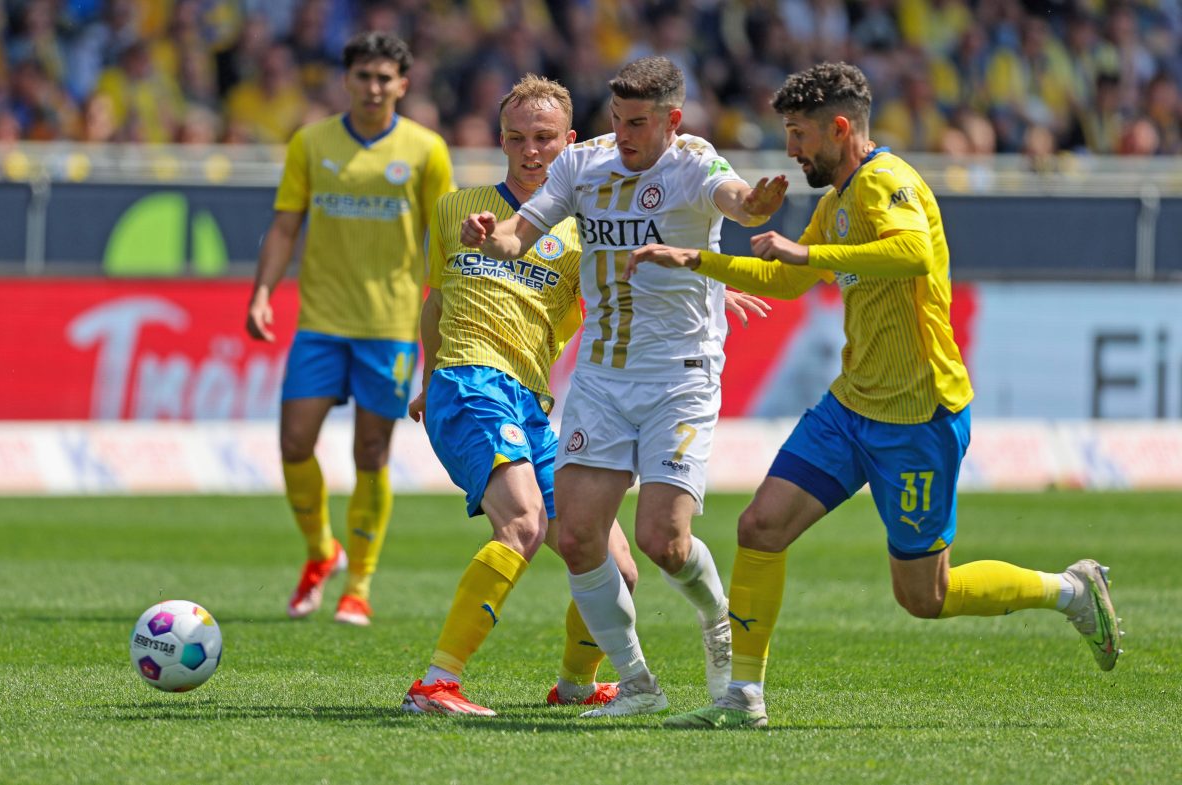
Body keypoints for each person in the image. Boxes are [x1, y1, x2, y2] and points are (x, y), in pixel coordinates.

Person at [625, 62, 1123, 730]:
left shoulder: (887, 182)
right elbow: (786, 278)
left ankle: (1068, 590)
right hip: (851, 406)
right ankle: (742, 696)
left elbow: (913, 252)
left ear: (839, 127)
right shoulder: (837, 201)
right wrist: (697, 261)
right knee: (759, 526)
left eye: (800, 135)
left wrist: (814, 259)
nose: (793, 152)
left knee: (925, 594)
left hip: (919, 416)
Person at [401, 74, 769, 716]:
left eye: (543, 138)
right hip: (470, 379)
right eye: (516, 138)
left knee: (618, 563)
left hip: (535, 396)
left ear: (566, 141)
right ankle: (436, 682)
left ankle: (578, 683)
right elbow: (437, 303)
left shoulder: (582, 225)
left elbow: (621, 288)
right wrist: (430, 377)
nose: (530, 150)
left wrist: (714, 285)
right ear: (502, 140)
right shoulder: (458, 207)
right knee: (522, 526)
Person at [245, 32, 453, 627]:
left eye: (385, 78)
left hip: (388, 325)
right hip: (320, 320)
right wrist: (263, 292)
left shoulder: (426, 149)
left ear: (403, 85)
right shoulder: (312, 143)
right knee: (293, 443)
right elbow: (285, 226)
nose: (373, 87)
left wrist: (445, 307)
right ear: (347, 80)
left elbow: (442, 237)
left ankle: (357, 585)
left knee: (370, 452)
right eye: (363, 75)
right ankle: (320, 553)